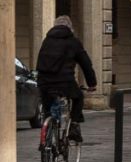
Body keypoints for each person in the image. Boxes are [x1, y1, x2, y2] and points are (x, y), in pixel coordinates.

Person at [35, 15, 97, 143]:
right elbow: (86, 64)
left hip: (44, 81)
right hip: (65, 82)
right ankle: (74, 124)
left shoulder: (46, 40)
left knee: (48, 109)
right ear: (70, 28)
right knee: (78, 97)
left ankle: (46, 136)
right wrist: (92, 83)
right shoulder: (73, 41)